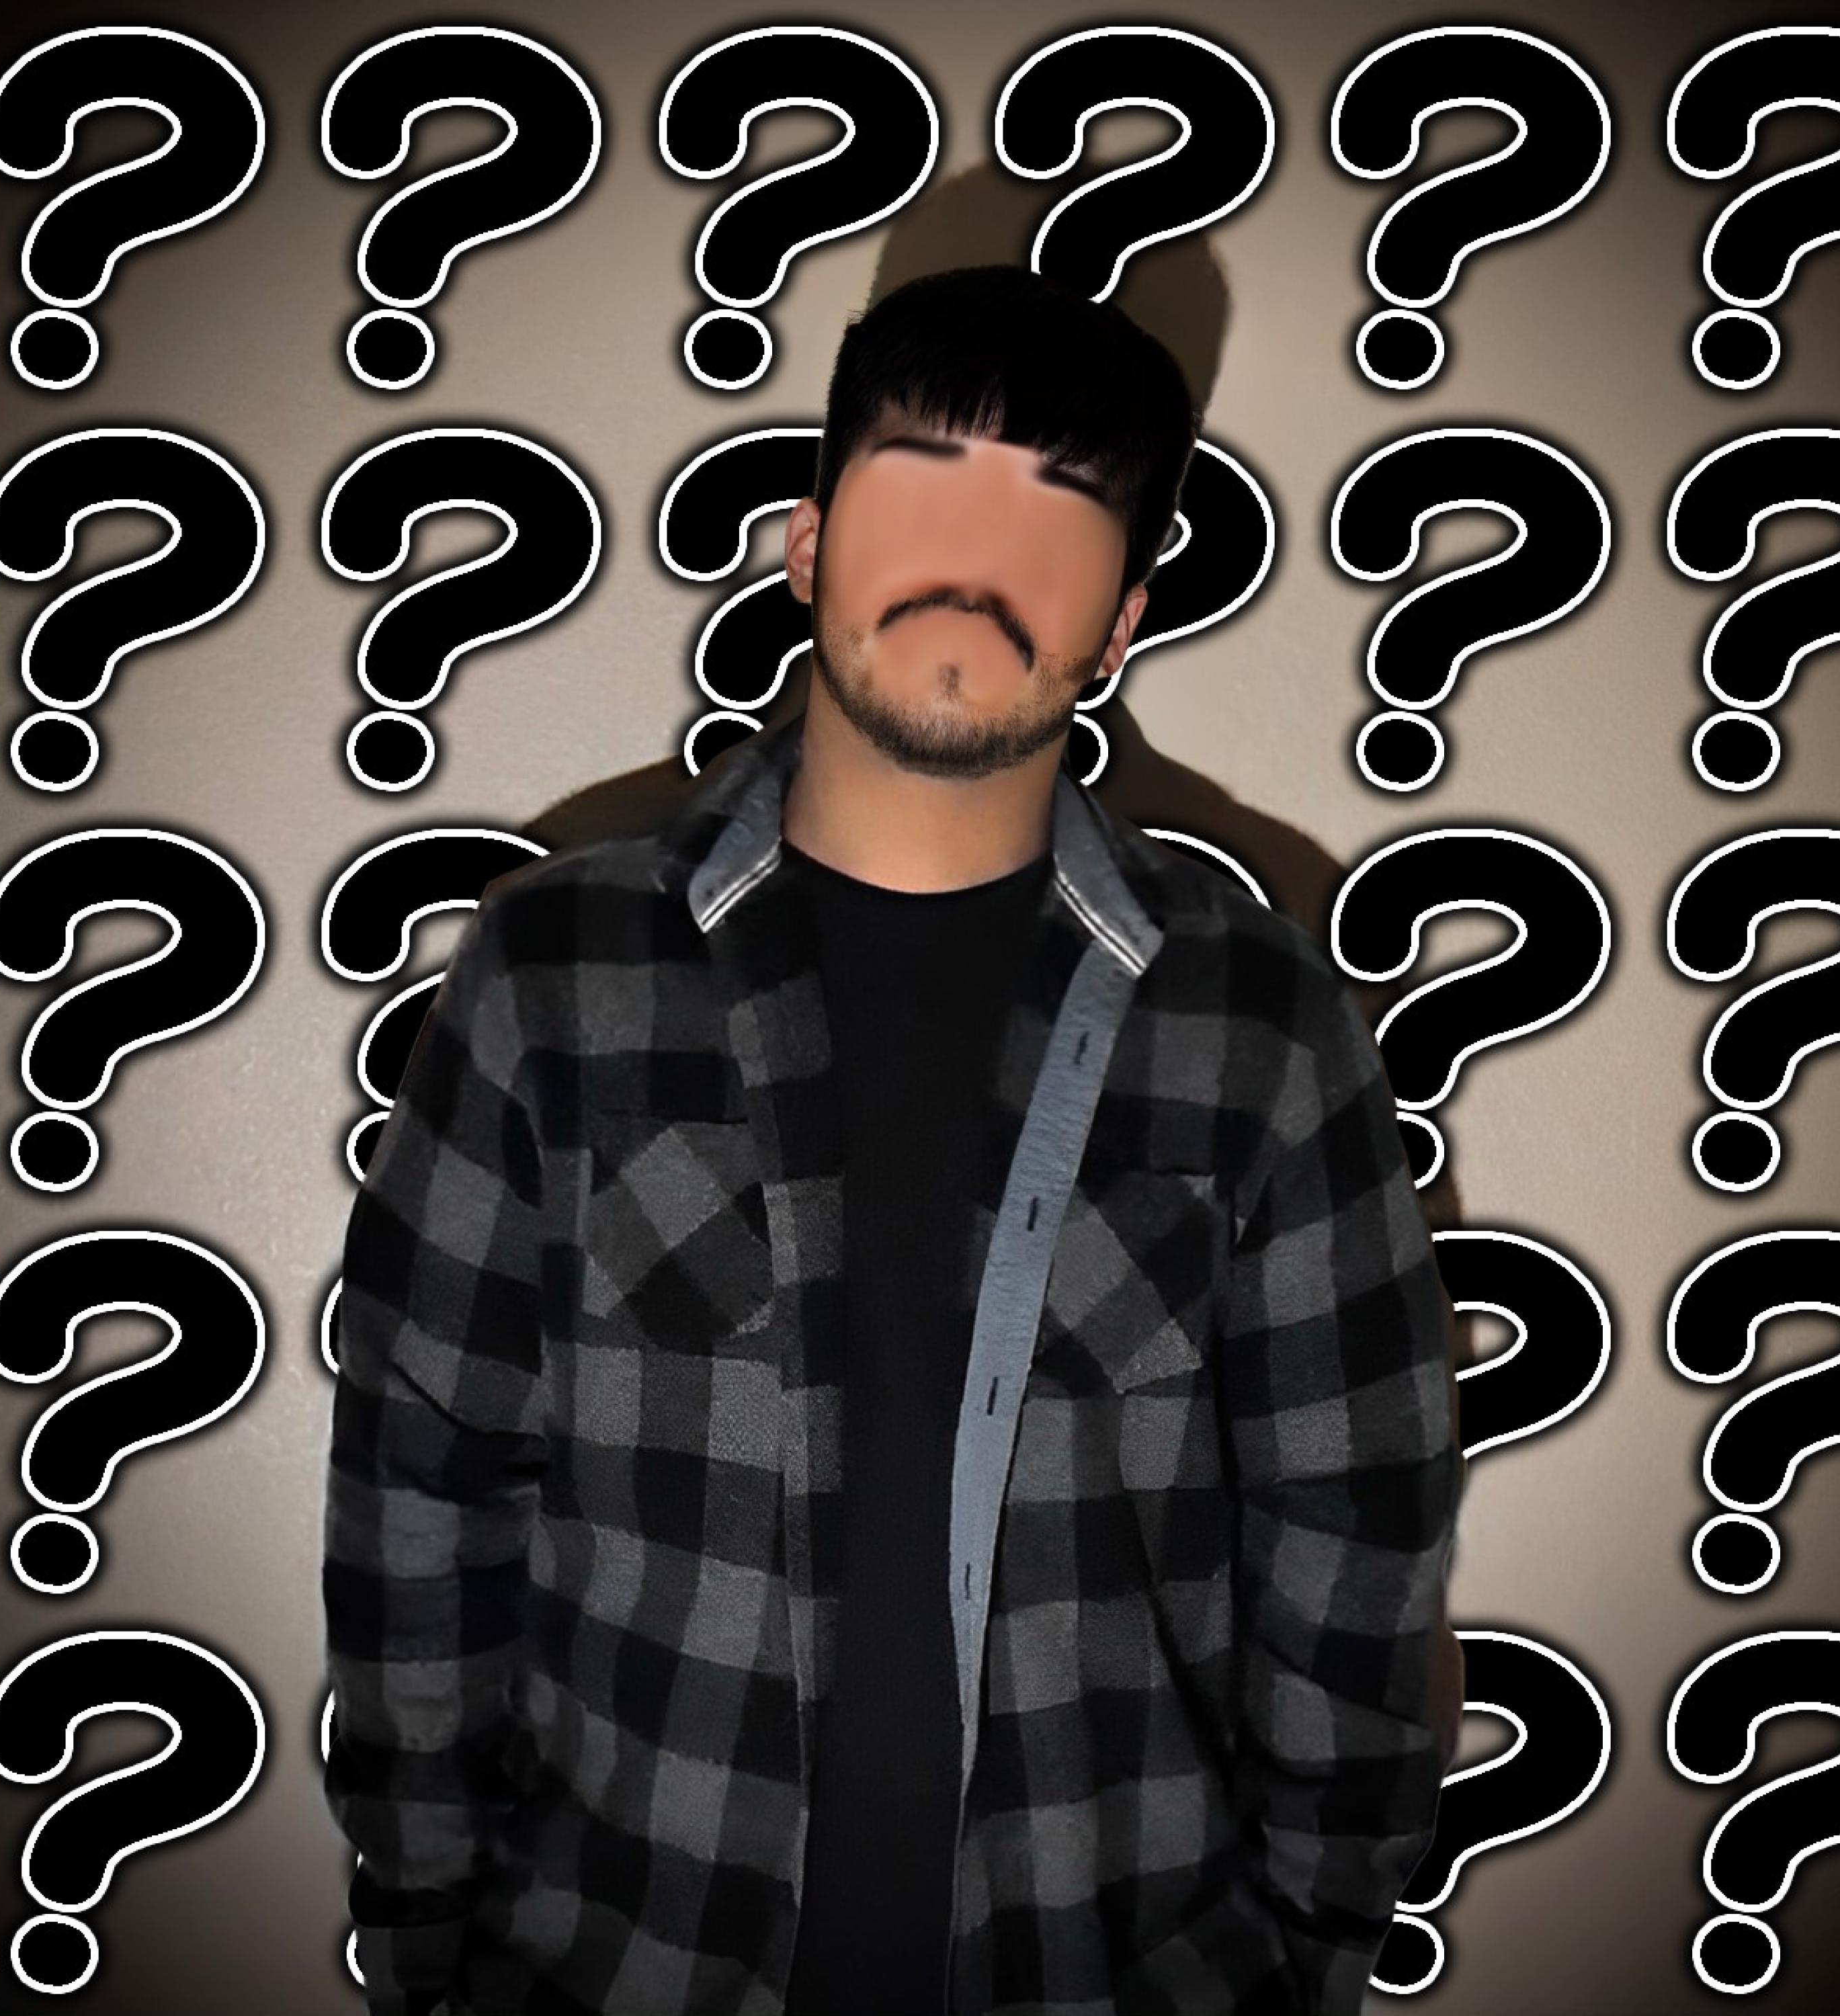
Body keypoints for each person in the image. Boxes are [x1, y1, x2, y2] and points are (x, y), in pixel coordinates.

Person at [321, 263, 1464, 2016]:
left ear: (1122, 623)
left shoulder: (1262, 1025)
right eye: (924, 481)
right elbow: (422, 1486)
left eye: (1058, 512)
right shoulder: (555, 975)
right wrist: (429, 1935)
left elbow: (1357, 1543)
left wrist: (1296, 1955)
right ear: (805, 545)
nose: (979, 559)